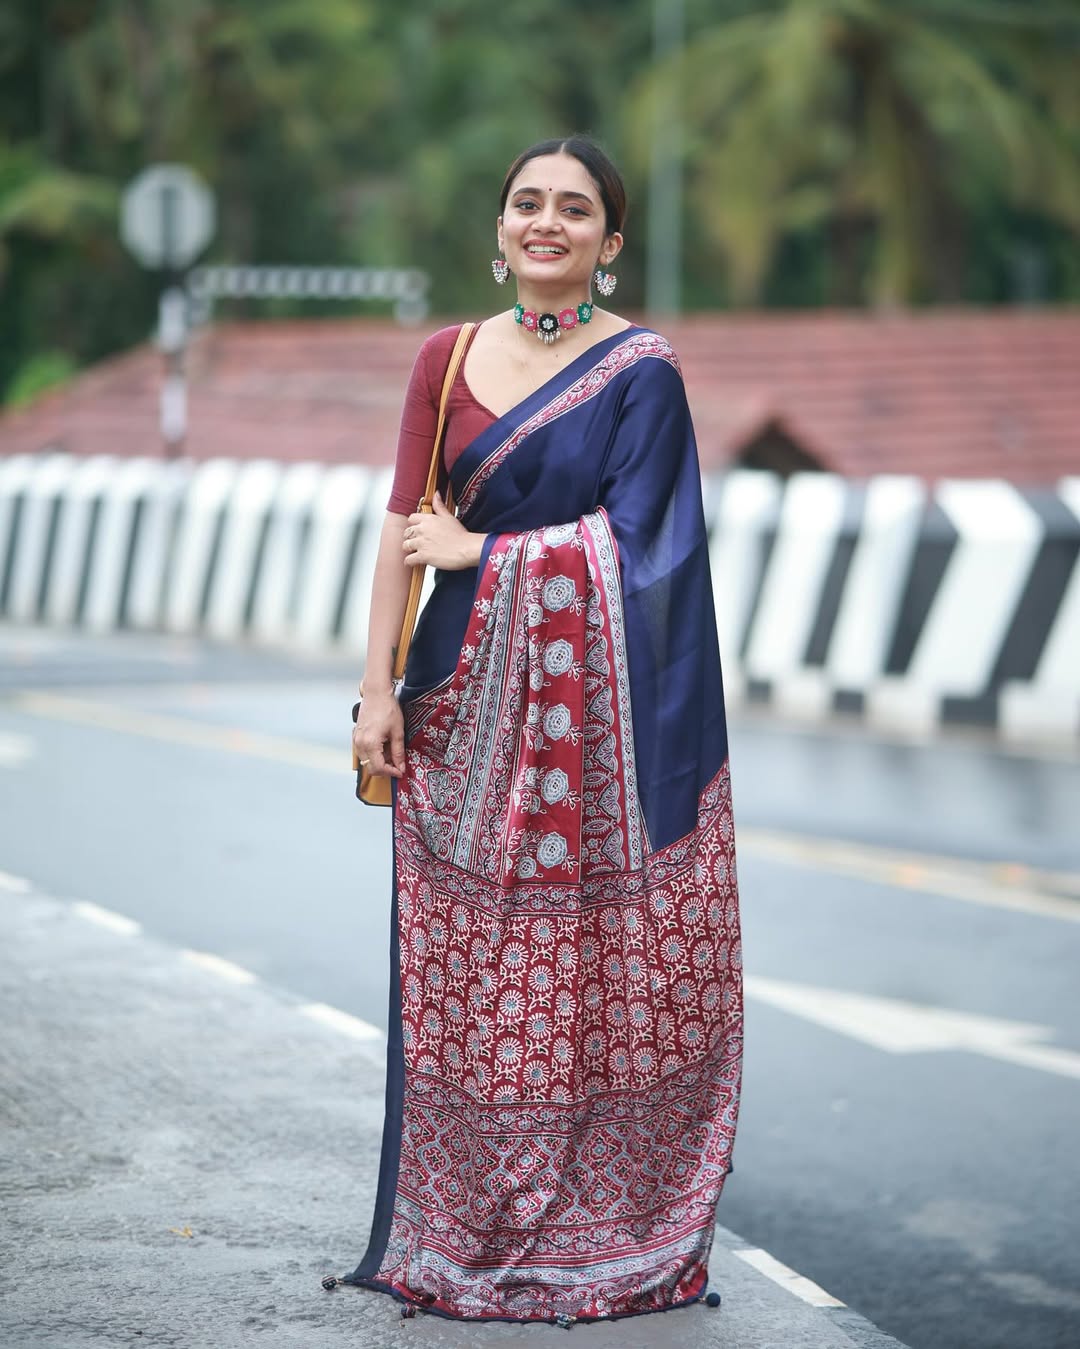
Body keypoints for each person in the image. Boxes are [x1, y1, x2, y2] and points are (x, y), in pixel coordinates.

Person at [344, 135, 743, 1325]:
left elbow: (656, 555)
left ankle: (604, 1227)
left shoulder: (640, 375)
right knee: (471, 977)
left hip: (603, 732)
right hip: (458, 703)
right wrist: (374, 689)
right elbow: (402, 527)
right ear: (501, 226)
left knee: (592, 972)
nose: (547, 223)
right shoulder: (447, 356)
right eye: (528, 203)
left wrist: (493, 552)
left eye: (576, 210)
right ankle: (465, 1222)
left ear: (610, 246)